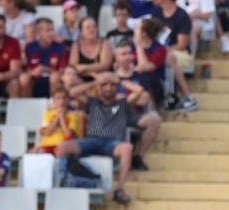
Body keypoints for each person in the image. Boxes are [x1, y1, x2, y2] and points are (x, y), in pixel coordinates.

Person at [62, 73, 162, 203]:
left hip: (112, 143)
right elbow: (72, 92)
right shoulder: (92, 102)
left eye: (112, 85)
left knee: (127, 148)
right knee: (63, 147)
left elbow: (139, 90)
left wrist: (120, 81)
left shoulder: (123, 103)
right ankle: (63, 184)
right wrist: (96, 81)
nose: (108, 88)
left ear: (117, 87)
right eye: (104, 85)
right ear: (99, 88)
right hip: (92, 141)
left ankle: (119, 190)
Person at [153, 0, 198, 110]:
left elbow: (181, 45)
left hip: (180, 53)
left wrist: (162, 50)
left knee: (168, 57)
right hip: (160, 50)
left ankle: (187, 96)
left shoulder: (182, 15)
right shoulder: (156, 12)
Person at [22, 17, 68, 98]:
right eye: (48, 31)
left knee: (54, 77)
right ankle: (27, 104)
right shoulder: (30, 47)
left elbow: (62, 71)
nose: (52, 33)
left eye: (52, 30)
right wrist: (32, 72)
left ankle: (53, 104)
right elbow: (26, 68)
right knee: (24, 78)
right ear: (38, 33)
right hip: (35, 81)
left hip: (53, 81)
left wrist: (45, 69)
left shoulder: (60, 47)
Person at [32, 89, 82, 153]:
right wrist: (57, 118)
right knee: (34, 152)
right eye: (58, 98)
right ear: (53, 100)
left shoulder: (73, 116)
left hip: (64, 146)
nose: (62, 101)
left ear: (68, 100)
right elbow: (47, 133)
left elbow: (69, 135)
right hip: (47, 145)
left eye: (64, 98)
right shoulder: (47, 114)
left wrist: (62, 118)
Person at [68, 16, 113, 86]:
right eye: (87, 27)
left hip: (102, 79)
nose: (92, 29)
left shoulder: (104, 43)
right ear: (81, 31)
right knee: (69, 78)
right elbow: (73, 67)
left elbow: (105, 65)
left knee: (105, 78)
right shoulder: (76, 45)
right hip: (82, 80)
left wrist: (84, 67)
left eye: (94, 26)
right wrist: (93, 74)